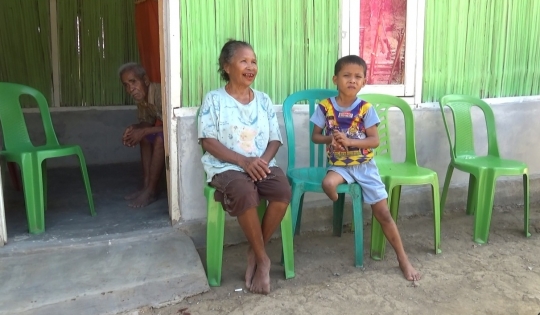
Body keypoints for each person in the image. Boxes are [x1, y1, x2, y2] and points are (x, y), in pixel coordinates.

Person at [310, 55, 421, 281]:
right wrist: (330, 138)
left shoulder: (365, 109)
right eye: (346, 76)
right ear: (335, 79)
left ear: (364, 82)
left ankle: (403, 258)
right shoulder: (324, 107)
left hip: (365, 167)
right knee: (327, 184)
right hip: (339, 165)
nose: (352, 80)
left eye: (358, 77)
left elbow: (374, 141)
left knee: (383, 213)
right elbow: (315, 137)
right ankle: (341, 199)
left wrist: (350, 142)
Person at [198, 40, 291, 294]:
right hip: (226, 166)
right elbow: (207, 141)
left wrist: (260, 161)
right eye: (244, 61)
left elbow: (274, 139)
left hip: (261, 163)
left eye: (254, 61)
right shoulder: (214, 100)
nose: (251, 67)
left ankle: (254, 251)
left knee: (283, 190)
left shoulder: (263, 99)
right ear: (227, 67)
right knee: (245, 192)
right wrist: (242, 161)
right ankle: (263, 260)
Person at [119, 63, 165, 208]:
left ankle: (151, 191)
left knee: (159, 140)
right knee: (144, 138)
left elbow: (173, 125)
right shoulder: (142, 98)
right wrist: (134, 129)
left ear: (145, 80)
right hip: (167, 131)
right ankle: (146, 186)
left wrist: (143, 131)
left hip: (182, 133)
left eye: (133, 82)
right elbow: (146, 124)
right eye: (126, 85)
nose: (130, 89)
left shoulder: (160, 93)